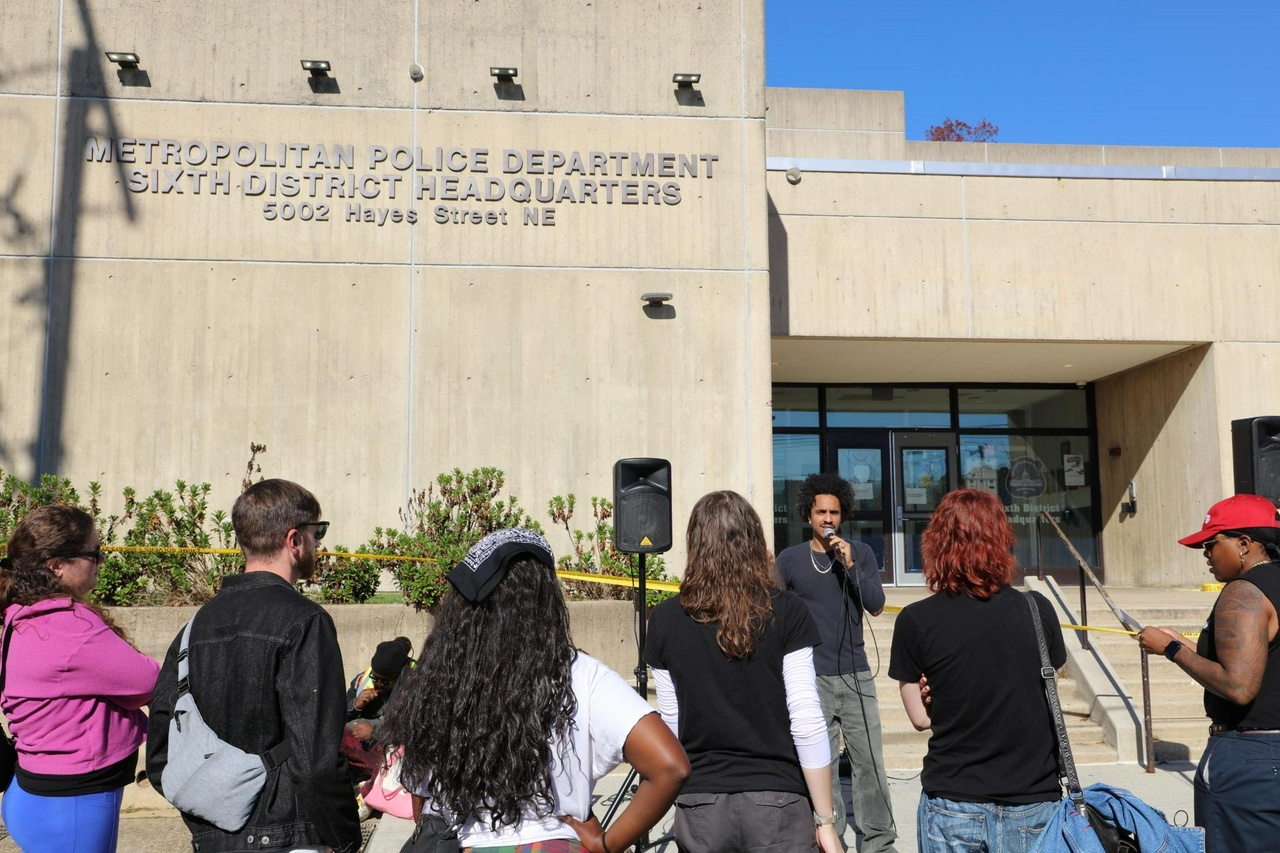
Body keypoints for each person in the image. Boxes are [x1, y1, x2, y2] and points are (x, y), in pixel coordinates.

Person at [381, 528, 689, 852]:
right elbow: (671, 766)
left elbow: (421, 802)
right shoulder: (581, 675)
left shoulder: (437, 678)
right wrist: (606, 844)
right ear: (547, 597)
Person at [146, 479, 361, 853]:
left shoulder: (194, 627)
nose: (319, 543)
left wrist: (212, 810)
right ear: (294, 540)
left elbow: (161, 754)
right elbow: (317, 759)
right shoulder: (306, 621)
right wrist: (344, 838)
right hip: (289, 835)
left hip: (213, 838)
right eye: (318, 532)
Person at [646, 490, 843, 853]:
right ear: (754, 541)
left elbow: (670, 726)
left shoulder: (664, 619)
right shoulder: (789, 611)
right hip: (778, 800)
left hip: (700, 802)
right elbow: (806, 718)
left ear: (694, 543)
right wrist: (826, 821)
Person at [888, 489, 1065, 853]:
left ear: (937, 543)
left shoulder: (916, 620)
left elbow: (921, 720)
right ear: (1001, 540)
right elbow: (1047, 690)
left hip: (954, 800)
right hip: (1033, 801)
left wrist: (938, 693)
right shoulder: (1037, 609)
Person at [0, 505, 160, 853]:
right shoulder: (70, 629)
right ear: (56, 566)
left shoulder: (20, 615)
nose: (100, 561)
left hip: (33, 792)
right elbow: (149, 683)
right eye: (94, 553)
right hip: (72, 808)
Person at [1138, 493, 1280, 851]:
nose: (1205, 554)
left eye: (1211, 543)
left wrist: (1171, 649)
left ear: (1245, 544)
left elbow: (1239, 686)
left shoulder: (1243, 591)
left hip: (1252, 760)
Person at [776, 472, 896, 852]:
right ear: (808, 515)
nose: (828, 519)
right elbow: (776, 616)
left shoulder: (859, 553)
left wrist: (851, 565)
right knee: (822, 766)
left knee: (870, 764)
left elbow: (876, 605)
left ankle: (879, 841)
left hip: (856, 674)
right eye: (821, 512)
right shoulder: (790, 560)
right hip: (811, 678)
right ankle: (831, 840)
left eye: (835, 513)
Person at [342, 638, 414, 782]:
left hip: (395, 752)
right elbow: (337, 716)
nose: (379, 684)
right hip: (364, 751)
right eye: (376, 679)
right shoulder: (362, 681)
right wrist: (356, 704)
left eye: (386, 681)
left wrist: (375, 732)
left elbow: (414, 729)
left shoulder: (414, 688)